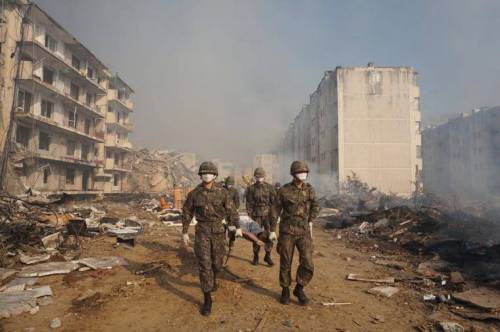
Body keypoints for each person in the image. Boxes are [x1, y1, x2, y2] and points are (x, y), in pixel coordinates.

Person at [182, 161, 242, 316]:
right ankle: (207, 298)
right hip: (202, 232)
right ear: (201, 175)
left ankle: (214, 278)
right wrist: (184, 232)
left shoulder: (223, 193)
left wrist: (237, 226)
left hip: (218, 231)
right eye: (204, 173)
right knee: (204, 264)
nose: (207, 175)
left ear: (215, 175)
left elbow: (232, 211)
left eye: (209, 173)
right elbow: (187, 212)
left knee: (217, 263)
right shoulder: (194, 193)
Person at [273, 161, 320, 306]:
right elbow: (275, 210)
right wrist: (272, 230)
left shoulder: (310, 190)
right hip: (287, 231)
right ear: (293, 174)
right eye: (300, 172)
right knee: (286, 262)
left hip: (303, 232)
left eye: (305, 172)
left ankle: (299, 288)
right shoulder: (284, 191)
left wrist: (311, 220)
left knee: (308, 262)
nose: (303, 174)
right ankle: (285, 290)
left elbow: (316, 206)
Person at [245, 167, 277, 266]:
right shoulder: (251, 188)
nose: (259, 178)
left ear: (264, 177)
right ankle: (256, 256)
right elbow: (249, 203)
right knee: (256, 235)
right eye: (257, 176)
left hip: (267, 215)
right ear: (255, 177)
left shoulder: (270, 188)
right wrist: (250, 216)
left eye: (261, 176)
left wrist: (274, 215)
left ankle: (267, 256)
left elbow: (274, 203)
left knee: (270, 235)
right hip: (256, 215)